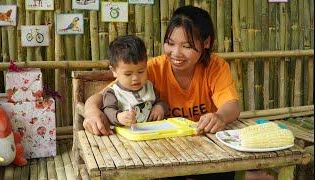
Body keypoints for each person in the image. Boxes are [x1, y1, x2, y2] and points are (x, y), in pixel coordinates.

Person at [83, 5, 240, 137]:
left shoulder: (215, 66)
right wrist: (91, 113)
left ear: (206, 43)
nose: (176, 53)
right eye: (170, 43)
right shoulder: (149, 70)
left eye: (186, 46)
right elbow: (98, 98)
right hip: (163, 145)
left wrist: (220, 117)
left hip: (206, 139)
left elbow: (232, 105)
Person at [102, 35, 167, 127]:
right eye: (128, 74)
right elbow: (108, 110)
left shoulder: (149, 86)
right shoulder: (113, 92)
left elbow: (161, 101)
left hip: (151, 134)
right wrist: (119, 117)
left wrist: (160, 107)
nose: (135, 78)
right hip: (125, 137)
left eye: (141, 71)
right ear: (114, 71)